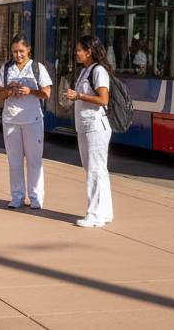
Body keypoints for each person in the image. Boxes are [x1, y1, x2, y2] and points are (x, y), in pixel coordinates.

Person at [0, 33, 53, 210]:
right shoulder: (6, 68)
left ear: (28, 49)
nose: (18, 55)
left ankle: (36, 196)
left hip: (32, 120)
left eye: (21, 51)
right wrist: (10, 91)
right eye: (14, 52)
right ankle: (17, 195)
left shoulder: (37, 68)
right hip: (11, 119)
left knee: (34, 160)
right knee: (14, 160)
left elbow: (46, 93)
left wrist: (31, 91)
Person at [62, 34, 114, 228]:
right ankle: (105, 212)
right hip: (86, 126)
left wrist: (79, 95)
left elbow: (103, 100)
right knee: (96, 169)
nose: (75, 53)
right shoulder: (86, 70)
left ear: (89, 52)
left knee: (95, 170)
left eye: (78, 50)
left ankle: (94, 215)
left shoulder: (98, 71)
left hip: (96, 127)